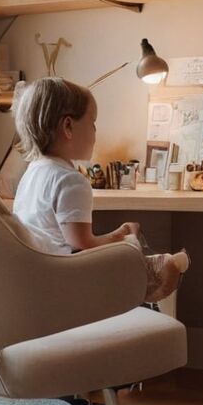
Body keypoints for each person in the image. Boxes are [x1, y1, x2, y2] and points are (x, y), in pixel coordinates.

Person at [12, 77, 189, 303]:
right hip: (64, 283)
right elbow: (82, 245)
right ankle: (151, 273)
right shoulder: (71, 181)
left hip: (36, 280)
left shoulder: (31, 173)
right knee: (128, 247)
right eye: (92, 122)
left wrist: (117, 235)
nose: (95, 131)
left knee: (125, 241)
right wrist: (120, 239)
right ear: (68, 127)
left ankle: (148, 267)